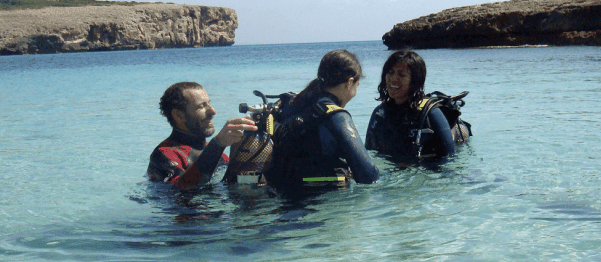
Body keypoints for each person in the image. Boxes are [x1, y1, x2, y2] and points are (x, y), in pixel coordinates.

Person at [267, 49, 380, 187]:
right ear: (350, 83)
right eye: (358, 84)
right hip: (321, 203)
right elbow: (368, 175)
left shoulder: (292, 104)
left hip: (283, 191)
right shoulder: (337, 116)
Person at [147, 81, 258, 189]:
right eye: (201, 106)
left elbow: (231, 181)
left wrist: (260, 178)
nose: (213, 111)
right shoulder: (164, 155)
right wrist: (218, 144)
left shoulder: (218, 155)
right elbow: (182, 187)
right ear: (178, 115)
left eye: (209, 103)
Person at [365, 50, 457, 160]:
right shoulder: (379, 113)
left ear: (415, 81)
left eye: (401, 75)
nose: (393, 79)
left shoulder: (430, 113)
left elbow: (450, 157)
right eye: (390, 72)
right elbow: (368, 153)